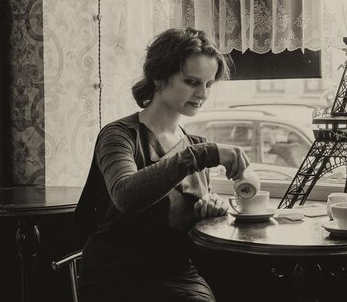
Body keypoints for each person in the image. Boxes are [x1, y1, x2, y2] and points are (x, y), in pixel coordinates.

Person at [75, 27, 249, 302]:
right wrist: (203, 154)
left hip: (177, 271)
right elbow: (126, 196)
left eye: (208, 84)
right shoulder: (119, 136)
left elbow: (180, 216)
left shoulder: (194, 144)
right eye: (192, 82)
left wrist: (210, 208)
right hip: (117, 276)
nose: (202, 94)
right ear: (159, 77)